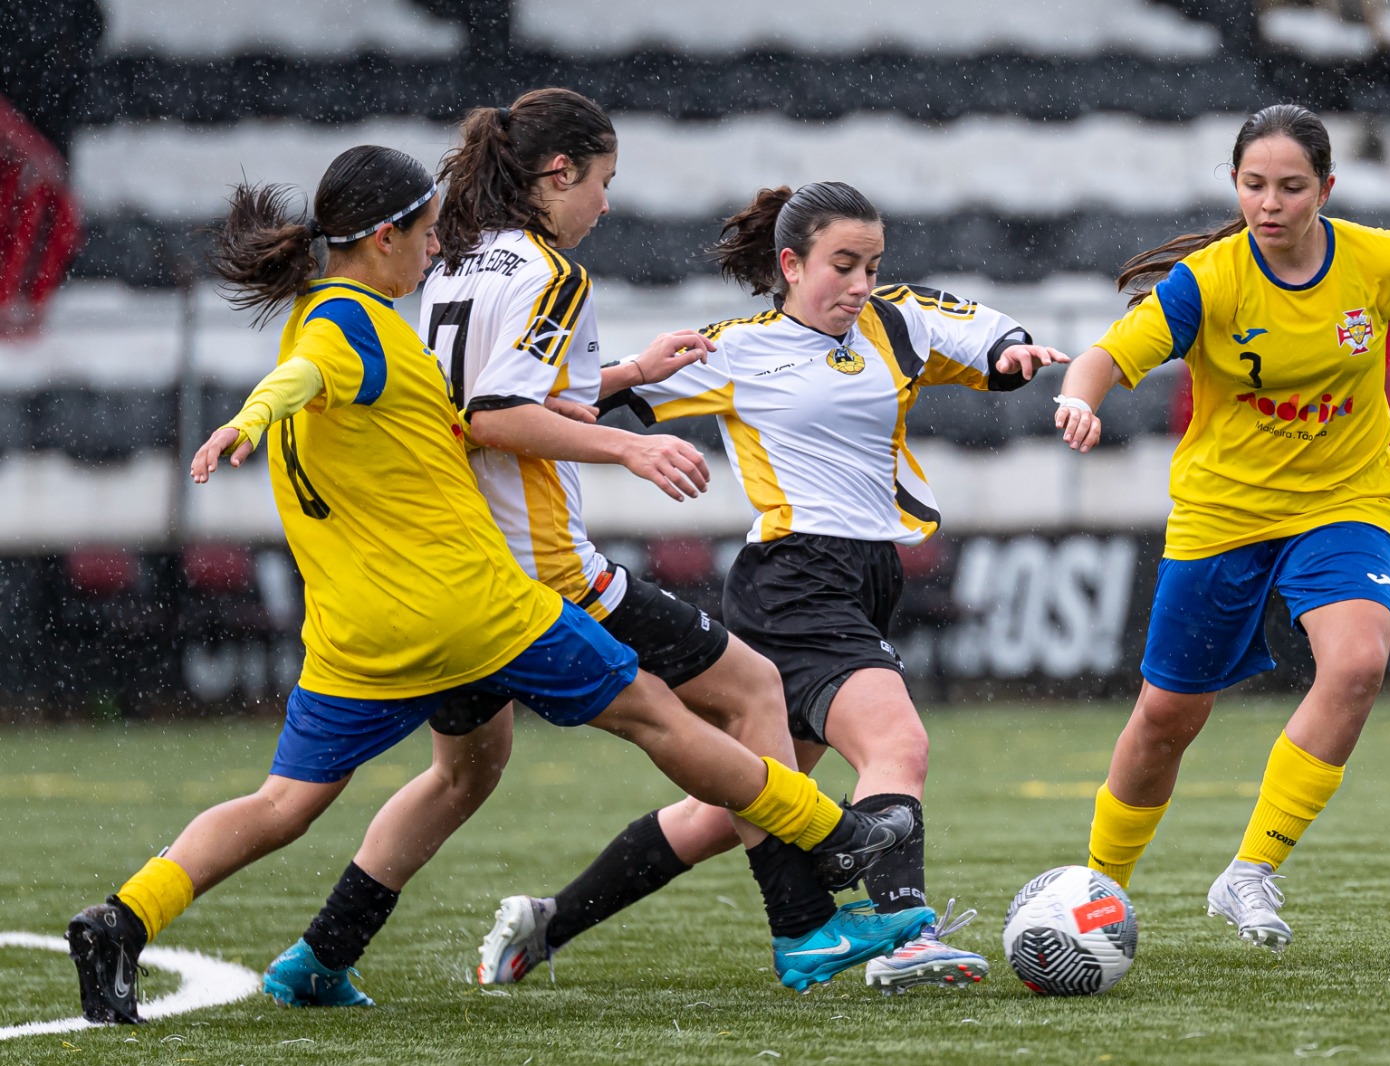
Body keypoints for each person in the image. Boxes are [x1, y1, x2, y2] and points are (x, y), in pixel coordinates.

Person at [64, 145, 915, 1025]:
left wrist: (616, 382)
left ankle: (143, 922)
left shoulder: (337, 319)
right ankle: (835, 837)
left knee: (316, 798)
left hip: (359, 635)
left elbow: (442, 415)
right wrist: (245, 417)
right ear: (386, 236)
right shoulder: (354, 327)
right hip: (476, 608)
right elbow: (309, 372)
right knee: (658, 712)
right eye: (428, 235)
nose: (438, 251)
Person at [275, 88, 932, 997]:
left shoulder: (450, 262)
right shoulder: (550, 271)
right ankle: (806, 928)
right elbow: (499, 415)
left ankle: (320, 956)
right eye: (603, 182)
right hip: (545, 573)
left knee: (464, 774)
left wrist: (626, 374)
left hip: (463, 573)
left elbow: (472, 406)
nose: (607, 204)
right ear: (559, 173)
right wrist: (630, 441)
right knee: (751, 691)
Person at [488, 179, 1068, 994]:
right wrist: (626, 375)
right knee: (897, 745)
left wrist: (1016, 353)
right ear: (790, 264)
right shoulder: (737, 348)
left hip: (865, 579)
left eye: (872, 264)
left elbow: (983, 335)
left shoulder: (891, 321)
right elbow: (575, 400)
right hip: (796, 577)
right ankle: (909, 934)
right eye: (843, 265)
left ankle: (551, 922)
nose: (861, 284)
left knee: (737, 809)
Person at [1053, 104, 1390, 952]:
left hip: (1347, 500)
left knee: (1360, 661)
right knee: (1166, 719)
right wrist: (1080, 398)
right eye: (1254, 185)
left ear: (1327, 189)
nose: (1271, 202)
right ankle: (1096, 889)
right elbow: (1107, 355)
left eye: (1292, 187)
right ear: (1234, 185)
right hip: (1225, 512)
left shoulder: (1381, 260)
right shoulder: (1208, 283)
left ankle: (1251, 869)